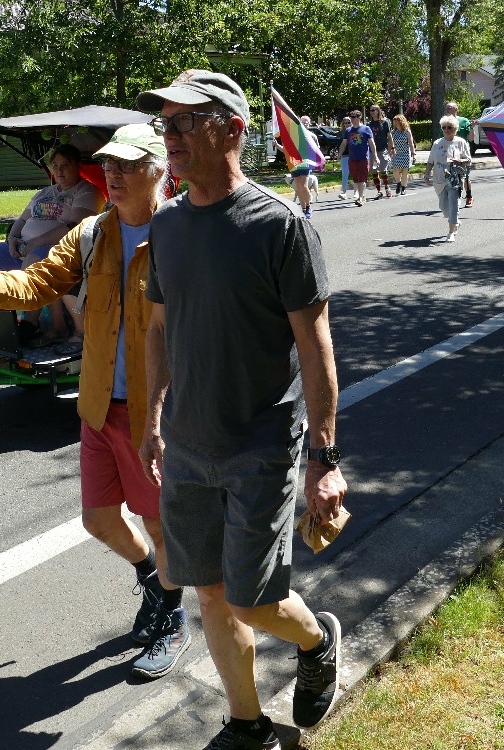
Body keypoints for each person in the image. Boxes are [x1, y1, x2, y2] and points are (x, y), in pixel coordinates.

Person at [136, 69, 347, 750]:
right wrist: (153, 420)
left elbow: (316, 351)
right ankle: (247, 723)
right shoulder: (165, 226)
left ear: (231, 127)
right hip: (188, 442)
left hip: (261, 443)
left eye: (180, 123)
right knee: (208, 593)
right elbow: (160, 330)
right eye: (163, 124)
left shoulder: (278, 226)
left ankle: (317, 641)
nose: (166, 138)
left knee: (254, 598)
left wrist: (324, 459)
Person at [0, 124, 191, 679]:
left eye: (128, 165)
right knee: (99, 520)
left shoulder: (183, 234)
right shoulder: (91, 234)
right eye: (109, 164)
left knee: (162, 528)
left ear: (159, 171)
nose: (112, 173)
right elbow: (39, 281)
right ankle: (154, 583)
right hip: (96, 407)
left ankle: (173, 616)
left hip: (155, 413)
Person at [0, 144, 102, 353]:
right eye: (55, 166)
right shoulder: (44, 192)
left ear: (77, 166)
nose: (59, 171)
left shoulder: (87, 190)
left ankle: (30, 324)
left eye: (65, 165)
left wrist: (37, 242)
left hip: (59, 250)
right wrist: (13, 238)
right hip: (27, 247)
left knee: (35, 260)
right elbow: (23, 219)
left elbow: (74, 226)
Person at [423, 115, 472, 242]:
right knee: (445, 209)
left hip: (454, 179)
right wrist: (427, 173)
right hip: (439, 179)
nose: (446, 129)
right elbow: (430, 161)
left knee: (454, 205)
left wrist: (459, 160)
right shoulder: (437, 143)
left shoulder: (461, 142)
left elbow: (469, 160)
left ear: (455, 129)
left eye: (449, 127)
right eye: (444, 127)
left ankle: (451, 232)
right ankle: (455, 222)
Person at [338, 109, 378, 206]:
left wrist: (376, 156)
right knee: (356, 179)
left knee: (362, 178)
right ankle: (361, 195)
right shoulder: (348, 131)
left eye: (354, 117)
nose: (352, 119)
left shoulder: (366, 129)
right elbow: (344, 143)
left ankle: (361, 197)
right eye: (351, 117)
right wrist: (340, 153)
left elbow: (372, 143)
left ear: (359, 117)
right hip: (352, 158)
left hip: (363, 158)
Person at [286, 115, 319, 219]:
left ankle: (308, 206)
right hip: (295, 162)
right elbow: (287, 149)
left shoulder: (312, 135)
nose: (305, 123)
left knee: (304, 186)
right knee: (299, 187)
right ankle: (303, 209)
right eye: (303, 121)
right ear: (299, 123)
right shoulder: (294, 135)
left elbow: (316, 149)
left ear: (309, 124)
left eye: (307, 122)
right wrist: (277, 145)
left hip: (305, 162)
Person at [444, 102, 474, 207]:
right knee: (450, 176)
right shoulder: (444, 122)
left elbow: (470, 138)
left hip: (462, 154)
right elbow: (441, 138)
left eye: (449, 108)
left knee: (465, 176)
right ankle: (453, 198)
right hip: (449, 153)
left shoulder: (464, 121)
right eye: (446, 108)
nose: (447, 110)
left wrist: (472, 128)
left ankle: (469, 196)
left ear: (456, 110)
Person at [366, 106, 395, 199]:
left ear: (378, 111)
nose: (371, 112)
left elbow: (389, 136)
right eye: (370, 110)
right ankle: (379, 191)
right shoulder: (369, 125)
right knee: (374, 171)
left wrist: (392, 147)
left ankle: (387, 187)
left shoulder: (384, 123)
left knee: (383, 170)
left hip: (382, 150)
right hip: (373, 152)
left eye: (373, 110)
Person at [389, 114, 417, 195]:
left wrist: (413, 153)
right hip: (396, 153)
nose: (395, 124)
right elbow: (390, 143)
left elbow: (411, 143)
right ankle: (398, 183)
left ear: (401, 122)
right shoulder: (393, 132)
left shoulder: (407, 131)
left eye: (397, 122)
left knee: (405, 172)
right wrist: (389, 152)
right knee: (395, 169)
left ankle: (404, 188)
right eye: (394, 122)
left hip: (405, 153)